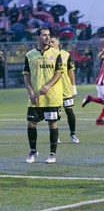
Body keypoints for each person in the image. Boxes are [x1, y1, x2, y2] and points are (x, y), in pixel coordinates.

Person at [22, 26, 63, 164]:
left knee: (52, 124)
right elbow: (26, 76)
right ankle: (33, 151)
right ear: (38, 37)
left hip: (52, 97)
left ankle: (52, 154)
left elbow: (58, 73)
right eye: (44, 35)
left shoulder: (56, 53)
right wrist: (31, 93)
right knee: (31, 123)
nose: (47, 37)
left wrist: (48, 86)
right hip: (35, 98)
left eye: (49, 35)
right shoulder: (29, 55)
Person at [49, 36, 79, 144]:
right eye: (49, 42)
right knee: (56, 113)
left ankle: (73, 134)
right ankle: (56, 136)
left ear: (58, 43)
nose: (50, 43)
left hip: (66, 88)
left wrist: (73, 86)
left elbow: (71, 71)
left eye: (52, 41)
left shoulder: (66, 55)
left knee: (69, 111)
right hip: (54, 89)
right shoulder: (48, 55)